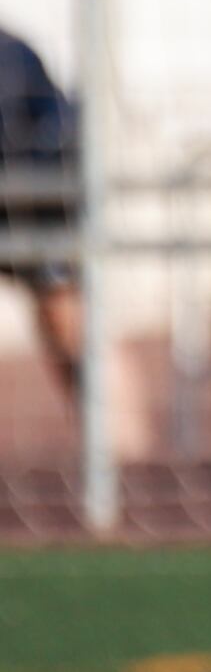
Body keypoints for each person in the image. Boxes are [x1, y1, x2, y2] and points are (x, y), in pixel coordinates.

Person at [0, 25, 86, 415]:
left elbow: (54, 135)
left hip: (33, 202)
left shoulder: (14, 56)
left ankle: (120, 455)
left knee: (66, 321)